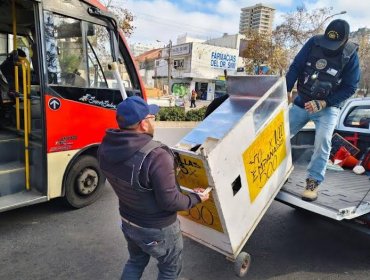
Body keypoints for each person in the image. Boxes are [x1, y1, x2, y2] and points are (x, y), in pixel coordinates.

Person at [98, 96, 209, 280]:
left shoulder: (105, 147)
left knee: (135, 261)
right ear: (143, 124)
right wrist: (196, 199)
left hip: (128, 221)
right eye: (152, 118)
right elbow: (170, 201)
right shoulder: (156, 155)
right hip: (157, 228)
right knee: (169, 270)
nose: (154, 122)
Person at [286, 19, 360, 202]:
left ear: (344, 40)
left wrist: (324, 103)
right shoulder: (314, 42)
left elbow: (350, 87)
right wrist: (285, 90)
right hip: (302, 100)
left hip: (328, 107)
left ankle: (312, 182)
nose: (329, 47)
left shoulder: (350, 55)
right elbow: (296, 66)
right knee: (279, 135)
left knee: (323, 141)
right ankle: (278, 171)